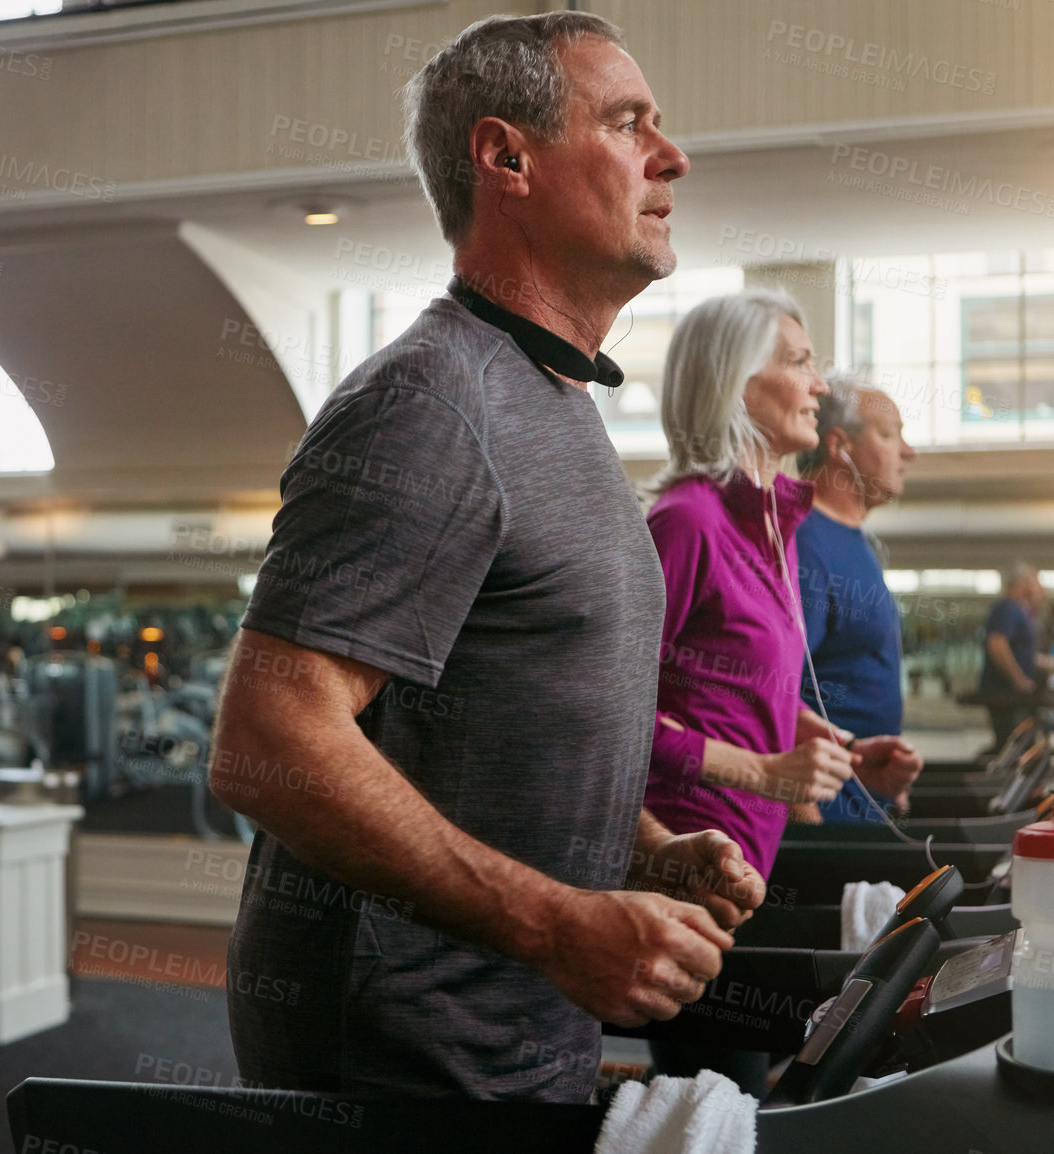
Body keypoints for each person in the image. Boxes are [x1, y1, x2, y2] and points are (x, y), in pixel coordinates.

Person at [209, 12, 763, 1104]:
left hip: (513, 1037)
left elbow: (497, 722)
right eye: (626, 122)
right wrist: (558, 920)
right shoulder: (428, 403)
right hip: (402, 1059)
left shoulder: (553, 401)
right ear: (506, 158)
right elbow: (268, 737)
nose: (672, 154)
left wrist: (640, 843)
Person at [637, 290, 858, 1093]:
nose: (819, 385)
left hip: (749, 863)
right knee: (718, 1111)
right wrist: (766, 773)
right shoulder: (686, 522)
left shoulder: (771, 526)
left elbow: (725, 678)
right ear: (736, 384)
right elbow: (615, 718)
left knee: (752, 1096)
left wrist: (804, 731)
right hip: (687, 865)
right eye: (799, 362)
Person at [793, 375, 925, 822]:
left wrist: (887, 786)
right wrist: (804, 819)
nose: (908, 453)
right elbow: (773, 692)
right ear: (838, 446)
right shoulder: (806, 540)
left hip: (866, 796)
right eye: (889, 435)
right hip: (827, 811)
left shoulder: (856, 540)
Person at [978, 564, 1053, 747]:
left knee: (1016, 743)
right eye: (1035, 582)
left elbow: (1017, 649)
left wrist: (1038, 660)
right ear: (1022, 583)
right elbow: (997, 644)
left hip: (1012, 692)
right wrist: (1018, 679)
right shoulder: (1008, 607)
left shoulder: (1020, 610)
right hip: (1006, 693)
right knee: (1011, 744)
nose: (1039, 588)